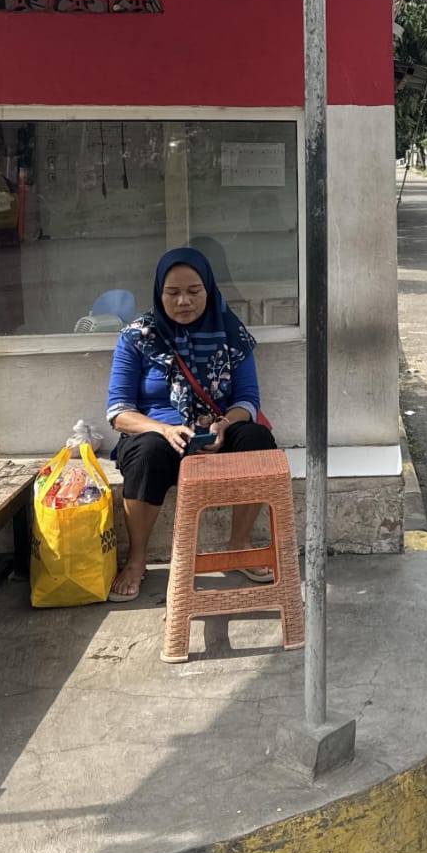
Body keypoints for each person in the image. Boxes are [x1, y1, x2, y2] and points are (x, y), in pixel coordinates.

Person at [104, 247, 276, 600]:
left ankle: (239, 544)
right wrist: (164, 429)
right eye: (173, 292)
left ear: (208, 289)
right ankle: (136, 559)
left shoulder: (231, 333)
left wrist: (224, 424)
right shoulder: (137, 337)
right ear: (159, 293)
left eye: (194, 291)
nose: (183, 301)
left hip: (215, 432)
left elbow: (248, 400)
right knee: (148, 453)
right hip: (159, 435)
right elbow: (118, 411)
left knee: (257, 439)